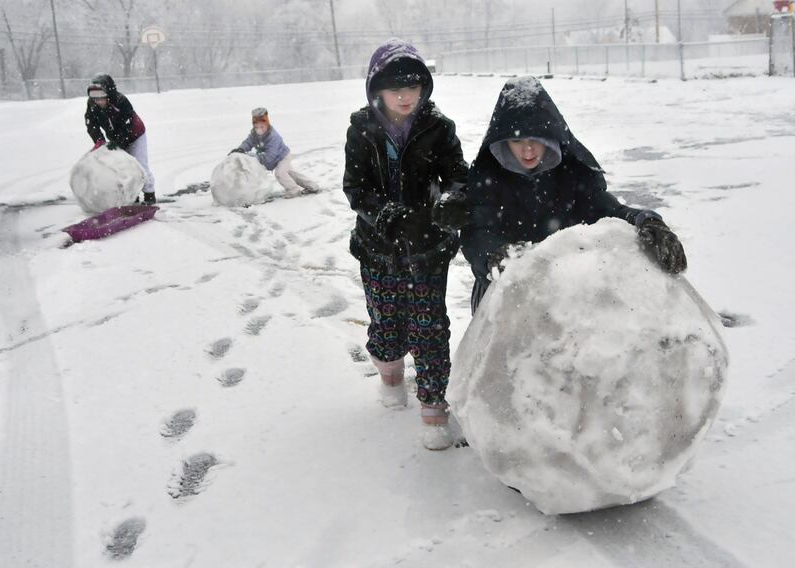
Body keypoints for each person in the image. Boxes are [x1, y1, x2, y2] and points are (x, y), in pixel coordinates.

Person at [432, 76, 687, 313]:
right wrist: (495, 255)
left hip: (567, 291)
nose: (528, 149)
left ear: (550, 136)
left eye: (536, 139)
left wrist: (646, 220)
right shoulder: (489, 178)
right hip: (505, 292)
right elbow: (477, 232)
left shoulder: (572, 173)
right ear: (503, 142)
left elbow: (611, 212)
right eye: (517, 141)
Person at [343, 38, 468, 450]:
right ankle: (391, 377)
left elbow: (457, 177)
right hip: (378, 247)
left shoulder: (439, 128)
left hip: (427, 247)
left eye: (412, 87)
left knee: (430, 326)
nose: (403, 95)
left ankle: (434, 407)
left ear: (423, 88)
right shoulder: (362, 129)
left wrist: (451, 201)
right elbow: (355, 187)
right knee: (387, 319)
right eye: (395, 88)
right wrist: (381, 213)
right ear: (376, 90)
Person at [85, 73, 156, 204]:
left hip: (135, 135)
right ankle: (132, 197)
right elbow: (91, 124)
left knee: (139, 166)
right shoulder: (92, 104)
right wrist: (99, 140)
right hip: (115, 139)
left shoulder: (121, 101)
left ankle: (149, 194)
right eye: (94, 97)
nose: (98, 101)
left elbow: (128, 126)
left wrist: (117, 143)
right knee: (122, 169)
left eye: (101, 97)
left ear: (109, 92)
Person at [230, 108, 318, 198]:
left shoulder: (273, 137)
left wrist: (252, 156)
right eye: (256, 127)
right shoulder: (254, 134)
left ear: (267, 124)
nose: (259, 129)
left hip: (283, 157)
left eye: (262, 127)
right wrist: (241, 149)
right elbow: (248, 142)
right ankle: (312, 186)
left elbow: (269, 157)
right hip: (275, 159)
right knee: (291, 173)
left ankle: (293, 191)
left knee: (280, 173)